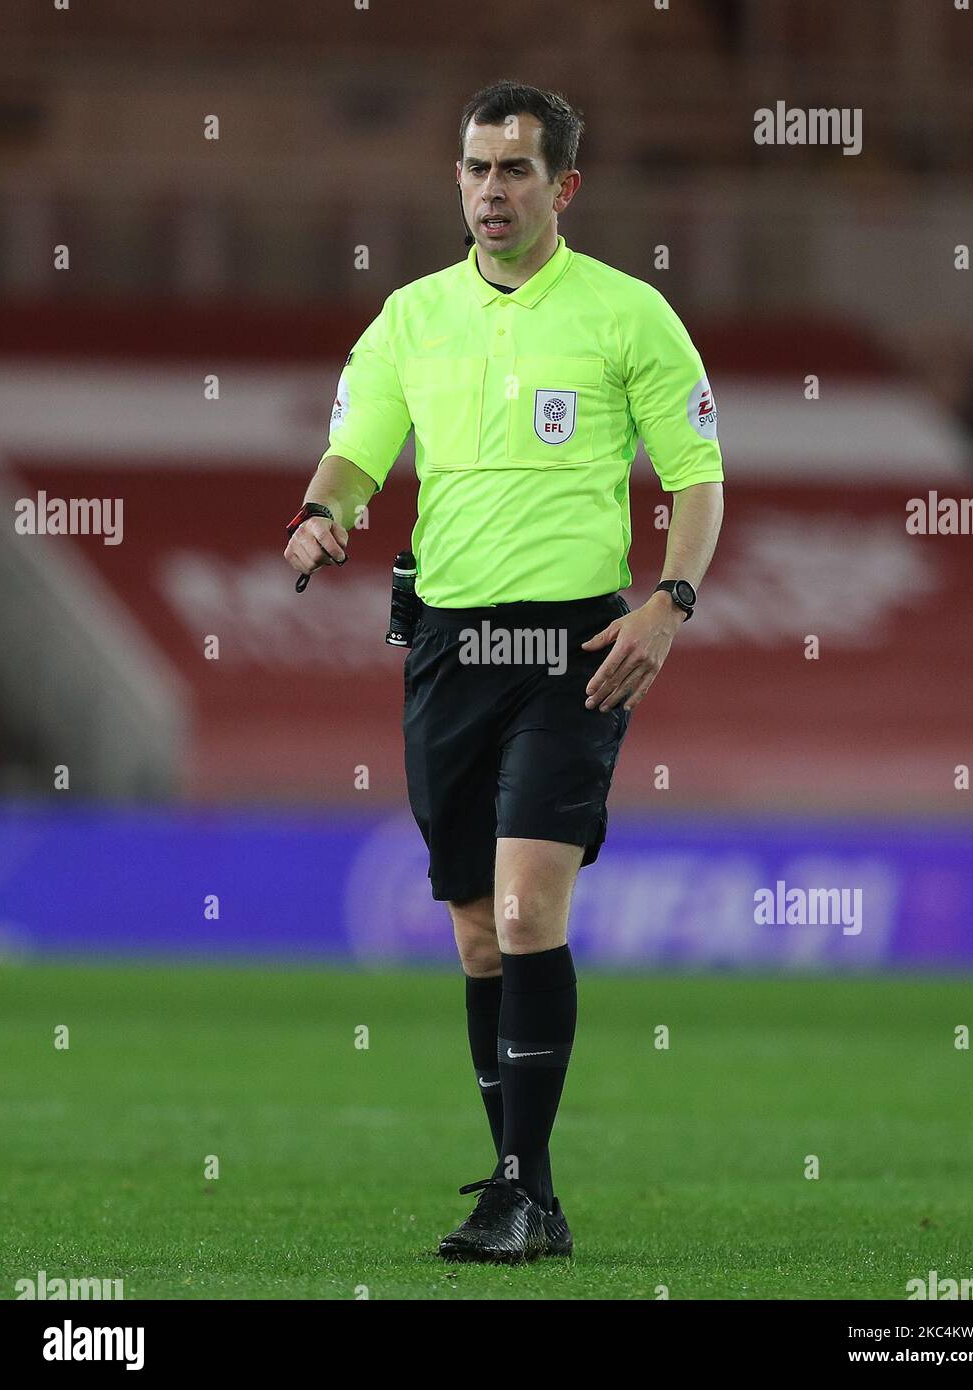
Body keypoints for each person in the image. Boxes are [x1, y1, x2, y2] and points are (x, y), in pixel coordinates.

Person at [283, 80, 724, 1263]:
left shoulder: (628, 316)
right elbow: (356, 447)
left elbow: (696, 477)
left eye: (514, 170)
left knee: (529, 906)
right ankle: (518, 1190)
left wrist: (667, 603)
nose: (490, 191)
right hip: (445, 649)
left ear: (562, 186)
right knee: (479, 934)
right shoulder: (409, 317)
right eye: (475, 170)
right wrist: (324, 514)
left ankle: (524, 1188)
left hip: (569, 651)